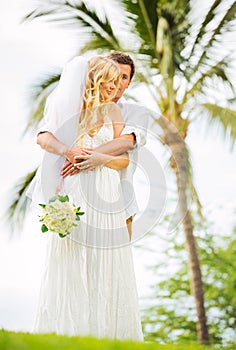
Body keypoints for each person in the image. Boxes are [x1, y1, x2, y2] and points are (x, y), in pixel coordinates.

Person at [28, 55, 143, 340]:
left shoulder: (116, 113)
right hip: (74, 190)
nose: (115, 89)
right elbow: (43, 137)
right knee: (70, 257)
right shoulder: (69, 110)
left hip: (106, 191)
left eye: (119, 82)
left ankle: (108, 334)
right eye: (111, 82)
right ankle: (68, 331)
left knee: (107, 260)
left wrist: (99, 158)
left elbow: (124, 162)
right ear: (96, 79)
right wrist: (70, 152)